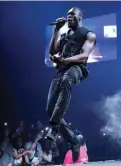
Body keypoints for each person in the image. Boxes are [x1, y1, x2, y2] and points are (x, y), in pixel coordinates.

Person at [46, 7, 96, 162]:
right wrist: (56, 31)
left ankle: (54, 129)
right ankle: (73, 141)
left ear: (80, 17)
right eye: (67, 15)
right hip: (61, 69)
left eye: (72, 15)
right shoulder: (65, 34)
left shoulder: (89, 34)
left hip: (77, 68)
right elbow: (52, 50)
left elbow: (84, 55)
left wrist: (64, 60)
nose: (69, 17)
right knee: (49, 109)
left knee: (67, 79)